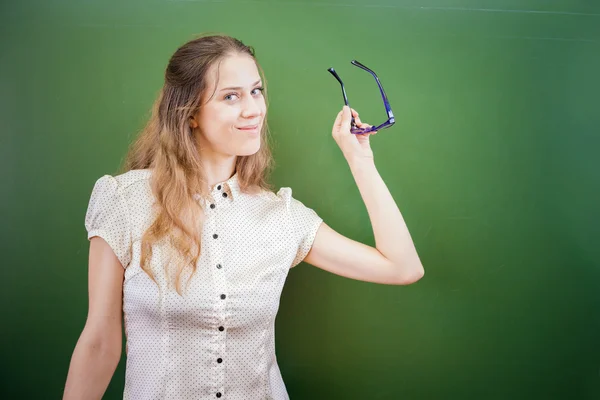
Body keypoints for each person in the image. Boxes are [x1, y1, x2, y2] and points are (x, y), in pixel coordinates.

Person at [62, 34, 424, 400]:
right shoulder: (125, 200)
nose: (253, 109)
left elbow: (402, 267)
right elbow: (99, 343)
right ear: (189, 114)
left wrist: (360, 160)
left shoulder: (281, 217)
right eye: (230, 96)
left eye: (256, 91)